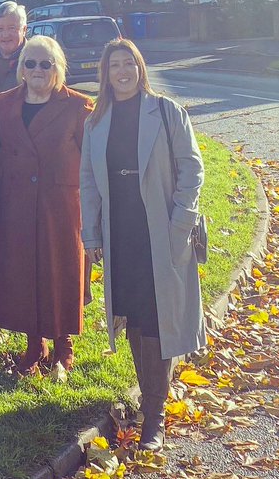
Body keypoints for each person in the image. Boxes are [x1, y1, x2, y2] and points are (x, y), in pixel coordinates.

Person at [80, 40, 205, 450]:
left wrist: (181, 221)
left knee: (157, 317)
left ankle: (154, 415)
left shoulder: (167, 112)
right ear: (105, 72)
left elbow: (192, 168)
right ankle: (150, 392)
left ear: (139, 67)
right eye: (114, 64)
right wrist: (92, 235)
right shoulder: (97, 120)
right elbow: (88, 182)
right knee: (134, 315)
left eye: (128, 63)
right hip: (122, 232)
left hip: (161, 228)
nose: (122, 71)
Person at [0, 34, 92, 374]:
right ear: (21, 68)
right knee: (23, 270)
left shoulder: (77, 105)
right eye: (30, 63)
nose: (37, 69)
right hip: (15, 201)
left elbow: (92, 159)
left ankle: (63, 343)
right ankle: (34, 343)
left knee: (61, 269)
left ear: (58, 68)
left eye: (45, 63)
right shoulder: (3, 102)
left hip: (60, 203)